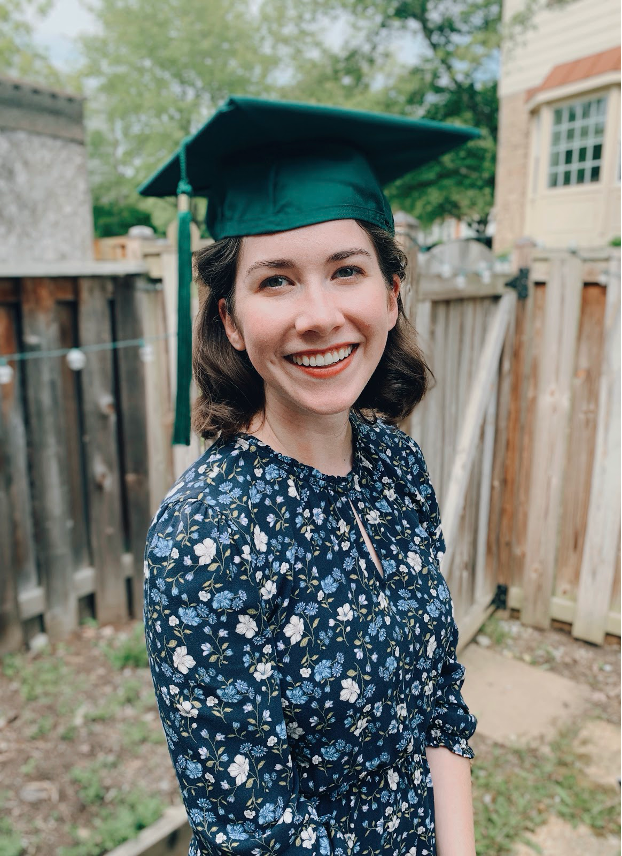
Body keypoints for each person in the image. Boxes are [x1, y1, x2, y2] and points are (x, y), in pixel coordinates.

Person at [141, 96, 479, 856]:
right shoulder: (208, 535)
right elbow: (255, 833)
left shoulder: (394, 463)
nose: (319, 315)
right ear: (229, 319)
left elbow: (439, 704)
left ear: (391, 296)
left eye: (346, 270)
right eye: (277, 281)